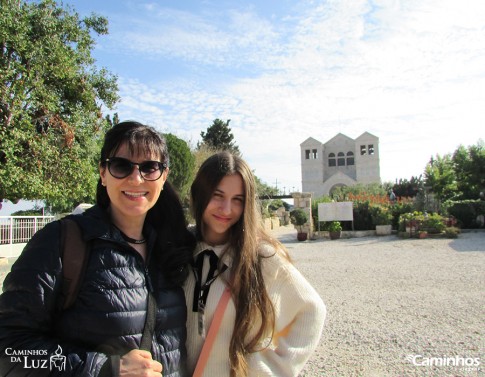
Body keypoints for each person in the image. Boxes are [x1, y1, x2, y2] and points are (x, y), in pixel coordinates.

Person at [0, 121, 195, 376]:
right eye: (121, 165)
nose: (136, 178)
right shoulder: (61, 242)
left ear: (163, 176)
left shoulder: (173, 249)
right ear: (103, 173)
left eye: (149, 167)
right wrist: (106, 368)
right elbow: (11, 350)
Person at [184, 151, 326, 376]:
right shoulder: (179, 250)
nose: (227, 209)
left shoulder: (260, 258)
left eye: (237, 200)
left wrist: (274, 368)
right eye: (217, 195)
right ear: (200, 194)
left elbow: (311, 310)